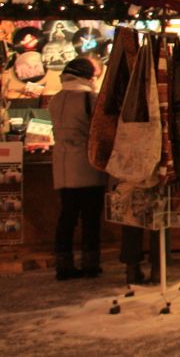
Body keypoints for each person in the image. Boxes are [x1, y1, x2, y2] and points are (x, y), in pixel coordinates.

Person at [49, 58, 105, 280]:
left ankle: (63, 264)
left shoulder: (56, 99)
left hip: (62, 167)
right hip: (86, 166)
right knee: (90, 218)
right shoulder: (89, 99)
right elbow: (99, 129)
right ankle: (91, 263)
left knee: (67, 217)